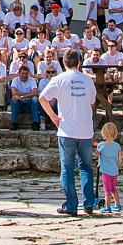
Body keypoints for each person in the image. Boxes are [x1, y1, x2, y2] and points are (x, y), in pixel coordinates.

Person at [40, 49, 98, 217]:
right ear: (79, 62)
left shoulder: (59, 79)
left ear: (63, 63)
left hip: (66, 129)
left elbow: (43, 97)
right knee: (86, 167)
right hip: (85, 129)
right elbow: (92, 102)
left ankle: (71, 204)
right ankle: (89, 202)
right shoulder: (87, 80)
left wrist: (53, 116)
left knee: (67, 168)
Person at [95, 121, 123, 214]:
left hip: (106, 171)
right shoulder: (117, 146)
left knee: (107, 189)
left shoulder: (102, 145)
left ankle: (107, 206)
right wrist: (117, 166)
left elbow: (96, 154)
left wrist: (97, 150)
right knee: (113, 188)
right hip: (114, 171)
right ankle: (117, 204)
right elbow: (120, 159)